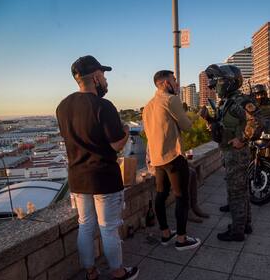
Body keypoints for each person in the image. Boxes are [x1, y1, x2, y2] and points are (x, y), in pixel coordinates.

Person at [56, 55, 139, 280]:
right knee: (108, 228)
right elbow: (116, 144)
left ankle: (90, 272)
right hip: (103, 178)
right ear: (95, 77)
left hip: (77, 179)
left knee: (85, 226)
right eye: (103, 75)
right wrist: (124, 131)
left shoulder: (62, 107)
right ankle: (118, 272)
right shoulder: (104, 106)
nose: (105, 81)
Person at [142, 70, 201, 251]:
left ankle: (166, 234)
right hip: (173, 157)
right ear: (165, 83)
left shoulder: (148, 106)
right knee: (181, 197)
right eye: (174, 80)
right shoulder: (170, 99)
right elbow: (187, 126)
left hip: (157, 160)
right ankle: (181, 240)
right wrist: (197, 116)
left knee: (161, 195)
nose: (176, 84)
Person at [202, 64, 257, 241]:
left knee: (236, 193)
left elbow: (257, 121)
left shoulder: (239, 101)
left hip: (236, 153)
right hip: (229, 151)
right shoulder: (227, 101)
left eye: (218, 81)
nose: (214, 85)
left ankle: (237, 231)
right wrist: (208, 119)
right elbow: (220, 125)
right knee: (241, 191)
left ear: (229, 82)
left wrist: (242, 139)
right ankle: (244, 225)